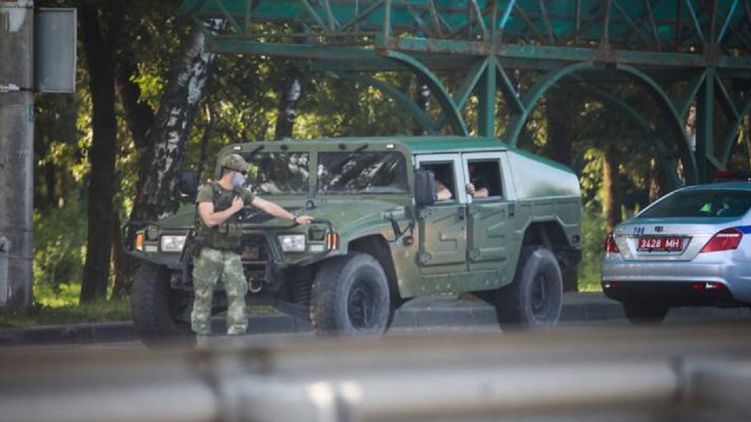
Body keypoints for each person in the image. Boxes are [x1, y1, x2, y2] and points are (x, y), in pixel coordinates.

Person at [191, 153, 313, 339]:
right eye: (243, 172)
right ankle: (202, 340)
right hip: (209, 251)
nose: (245, 176)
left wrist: (294, 218)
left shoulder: (241, 193)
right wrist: (233, 209)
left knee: (237, 295)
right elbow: (209, 220)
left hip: (231, 252)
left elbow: (266, 206)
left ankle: (237, 337)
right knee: (203, 296)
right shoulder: (208, 191)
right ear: (232, 172)